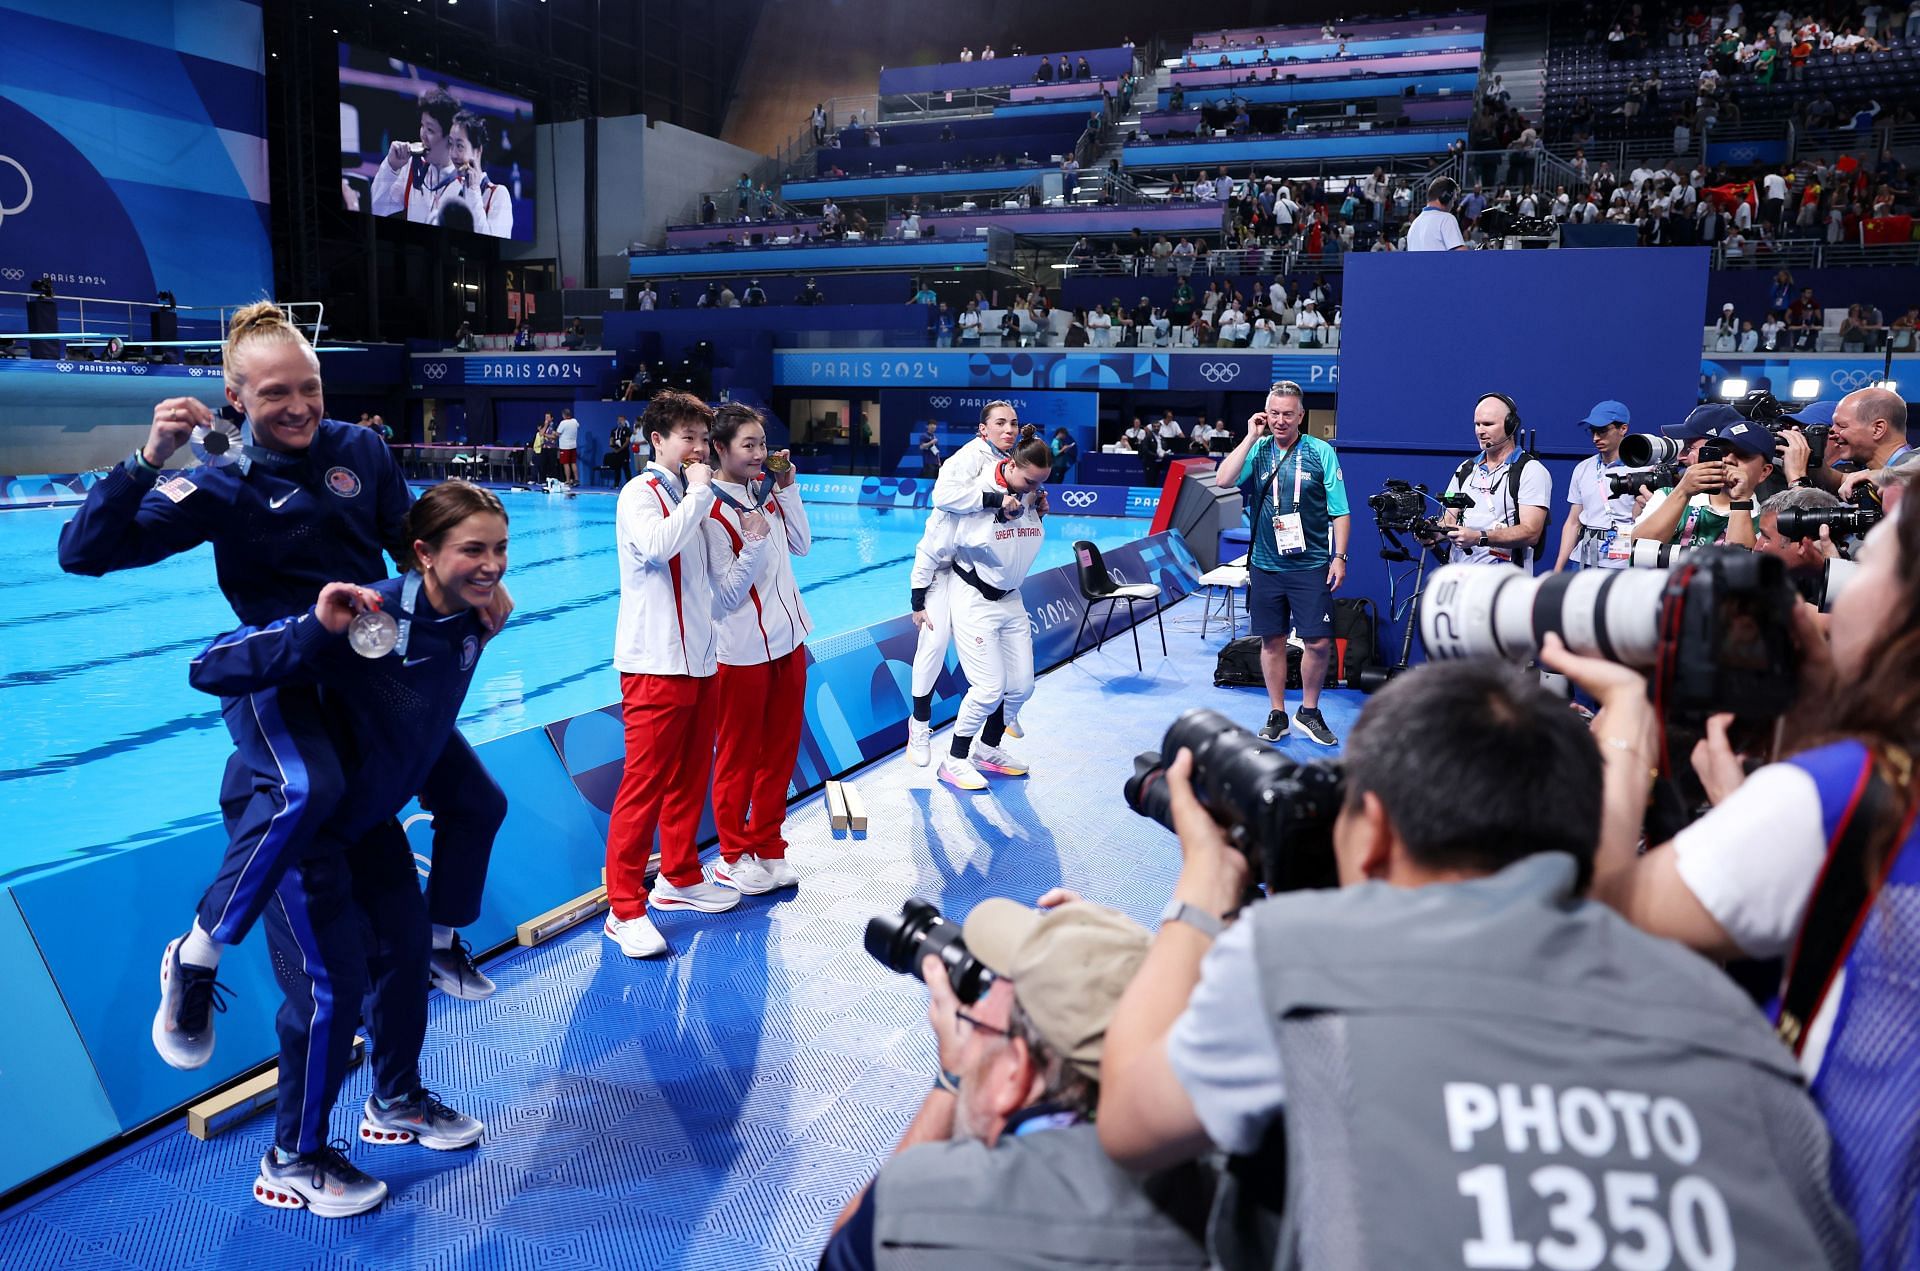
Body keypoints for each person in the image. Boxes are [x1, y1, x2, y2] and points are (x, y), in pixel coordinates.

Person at [1096, 659, 1855, 1270]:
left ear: (1375, 831)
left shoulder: (1298, 954)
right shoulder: (1731, 1017)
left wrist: (1204, 879)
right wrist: (1626, 714)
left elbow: (1128, 1118)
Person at [59, 303, 508, 1075]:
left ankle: (437, 941)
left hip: (373, 667)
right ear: (237, 397)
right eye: (274, 394)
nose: (298, 406)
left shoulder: (360, 449)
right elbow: (84, 553)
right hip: (280, 665)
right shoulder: (217, 482)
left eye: (310, 388)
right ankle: (196, 957)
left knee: (476, 799)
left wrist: (473, 582)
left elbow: (413, 543)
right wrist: (146, 458)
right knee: (307, 786)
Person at [183, 483, 504, 1217]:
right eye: (472, 550)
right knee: (332, 992)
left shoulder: (474, 621)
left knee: (404, 953)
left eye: (499, 548)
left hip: (367, 820)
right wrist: (310, 629)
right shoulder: (369, 616)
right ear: (423, 553)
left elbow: (421, 726)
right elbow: (211, 668)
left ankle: (394, 1099)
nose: (490, 565)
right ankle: (290, 1157)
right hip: (303, 832)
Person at [819, 894, 1213, 1270]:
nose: (974, 1002)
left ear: (1015, 1074)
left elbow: (845, 1250)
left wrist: (952, 1081)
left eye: (988, 1000)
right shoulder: (1220, 1174)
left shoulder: (923, 1204)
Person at [604, 391, 742, 959]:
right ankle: (623, 908)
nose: (698, 448)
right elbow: (659, 548)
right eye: (687, 437)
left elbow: (720, 588)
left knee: (689, 779)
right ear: (657, 441)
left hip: (701, 661)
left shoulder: (694, 496)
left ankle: (679, 878)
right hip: (654, 664)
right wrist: (702, 492)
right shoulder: (639, 493)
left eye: (703, 438)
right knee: (643, 787)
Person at [702, 405, 809, 897]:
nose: (759, 454)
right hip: (741, 651)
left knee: (781, 753)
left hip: (789, 643)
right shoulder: (709, 508)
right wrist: (753, 545)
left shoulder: (763, 494)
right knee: (739, 757)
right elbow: (724, 597)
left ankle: (769, 844)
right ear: (719, 449)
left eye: (762, 444)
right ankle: (732, 854)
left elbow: (803, 546)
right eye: (748, 445)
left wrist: (787, 489)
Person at [1212, 381, 1350, 745]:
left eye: (1288, 414)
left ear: (1301, 416)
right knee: (1271, 641)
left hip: (1310, 565)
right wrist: (1248, 436)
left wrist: (1340, 556)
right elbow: (1223, 479)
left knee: (1318, 643)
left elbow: (1341, 511)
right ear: (1265, 414)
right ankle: (1277, 712)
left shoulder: (1321, 452)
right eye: (1274, 413)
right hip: (1265, 565)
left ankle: (1309, 710)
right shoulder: (1257, 451)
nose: (1280, 421)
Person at [938, 428, 1053, 791]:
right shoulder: (975, 488)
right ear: (1011, 464)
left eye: (1041, 482)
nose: (1033, 487)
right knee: (989, 688)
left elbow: (1018, 544)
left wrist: (1035, 511)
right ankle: (953, 760)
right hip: (975, 598)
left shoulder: (1030, 493)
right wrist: (994, 507)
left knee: (1021, 687)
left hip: (1011, 598)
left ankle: (988, 750)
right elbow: (954, 524)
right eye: (1030, 480)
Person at [906, 404, 1019, 766]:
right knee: (935, 642)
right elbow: (943, 498)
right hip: (941, 570)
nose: (1009, 429)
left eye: (1013, 423)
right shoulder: (967, 458)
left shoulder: (1012, 459)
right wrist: (917, 598)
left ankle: (993, 739)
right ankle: (919, 726)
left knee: (1000, 662)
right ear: (982, 429)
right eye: (1000, 423)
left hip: (976, 573)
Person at [1437, 393, 1552, 571]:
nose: (1480, 431)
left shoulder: (1531, 471)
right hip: (1460, 580)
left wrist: (1478, 537)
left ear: (1510, 425)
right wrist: (1433, 533)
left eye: (1488, 424)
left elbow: (1531, 532)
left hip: (1505, 585)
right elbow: (1448, 520)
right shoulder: (1465, 469)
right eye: (1477, 424)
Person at [1633, 411, 1772, 550]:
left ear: (1764, 472)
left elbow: (1741, 567)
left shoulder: (1765, 520)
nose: (1728, 459)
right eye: (1722, 451)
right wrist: (1682, 491)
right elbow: (1638, 549)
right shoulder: (1667, 496)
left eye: (1743, 455)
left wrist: (1741, 500)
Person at [1552, 400, 1637, 571]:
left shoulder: (1642, 468)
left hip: (1623, 564)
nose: (1596, 438)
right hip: (1583, 560)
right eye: (1593, 431)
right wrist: (1558, 568)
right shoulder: (1583, 468)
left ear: (1623, 429)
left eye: (1603, 431)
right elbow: (1573, 522)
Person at [370, 89, 459, 225]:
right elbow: (376, 208)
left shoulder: (465, 183)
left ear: (450, 138)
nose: (423, 134)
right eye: (422, 126)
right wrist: (391, 167)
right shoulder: (411, 166)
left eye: (430, 130)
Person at [435, 110, 513, 238]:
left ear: (477, 151)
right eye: (450, 144)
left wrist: (474, 191)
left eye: (460, 146)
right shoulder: (450, 186)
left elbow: (492, 244)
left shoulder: (498, 194)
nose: (453, 154)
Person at [1406, 176, 1468, 251]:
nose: (1453, 205)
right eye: (1453, 200)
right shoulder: (1446, 218)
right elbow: (1461, 254)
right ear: (1446, 197)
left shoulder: (1414, 224)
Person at [555, 407, 580, 487]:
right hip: (573, 446)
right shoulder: (574, 421)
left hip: (565, 447)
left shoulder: (563, 423)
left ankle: (568, 480)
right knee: (573, 463)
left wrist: (553, 432)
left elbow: (557, 433)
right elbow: (577, 426)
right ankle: (576, 480)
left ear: (564, 415)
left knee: (566, 464)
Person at [608, 415, 633, 485]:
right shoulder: (614, 430)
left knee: (626, 468)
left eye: (621, 420)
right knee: (617, 468)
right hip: (616, 452)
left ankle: (629, 484)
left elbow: (627, 441)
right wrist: (613, 448)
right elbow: (611, 440)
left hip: (624, 452)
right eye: (618, 420)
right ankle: (616, 484)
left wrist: (620, 449)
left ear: (624, 421)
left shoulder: (627, 430)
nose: (620, 421)